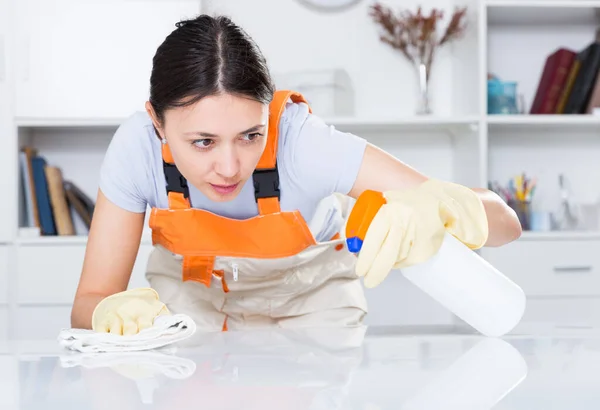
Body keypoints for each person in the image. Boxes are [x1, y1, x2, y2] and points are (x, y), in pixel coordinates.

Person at [70, 14, 522, 335]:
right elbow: (89, 301)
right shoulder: (136, 149)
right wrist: (110, 311)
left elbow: (507, 225)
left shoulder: (304, 142)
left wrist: (445, 207)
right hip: (192, 294)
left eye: (251, 135)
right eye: (203, 142)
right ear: (156, 121)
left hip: (311, 299)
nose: (230, 168)